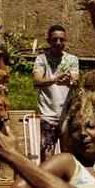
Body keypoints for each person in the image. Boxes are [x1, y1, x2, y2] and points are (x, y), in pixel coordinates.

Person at [33, 24, 80, 161]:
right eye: (55, 40)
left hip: (68, 115)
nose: (58, 43)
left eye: (61, 39)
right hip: (48, 115)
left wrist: (70, 81)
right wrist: (54, 79)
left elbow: (75, 81)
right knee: (47, 155)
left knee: (68, 155)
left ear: (66, 40)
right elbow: (37, 81)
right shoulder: (41, 59)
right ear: (49, 41)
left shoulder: (72, 59)